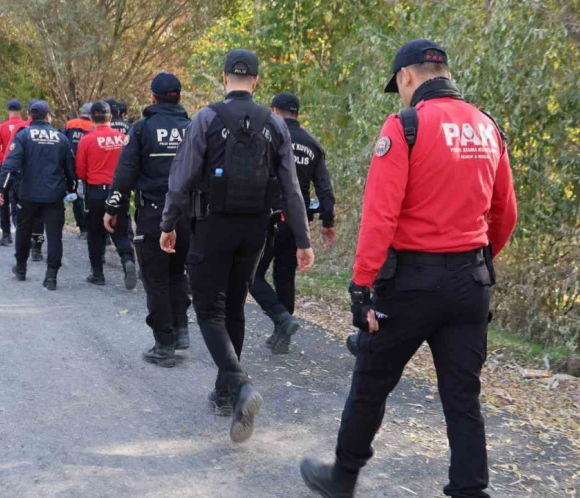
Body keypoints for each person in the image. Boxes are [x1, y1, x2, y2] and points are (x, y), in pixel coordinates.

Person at [299, 39, 518, 498]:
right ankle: (470, 490)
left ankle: (342, 478)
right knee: (463, 397)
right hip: (470, 283)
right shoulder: (487, 127)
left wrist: (361, 288)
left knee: (372, 380)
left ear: (407, 78)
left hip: (412, 285)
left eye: (398, 86)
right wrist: (476, 262)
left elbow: (381, 218)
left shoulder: (406, 126)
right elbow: (505, 214)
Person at [160, 49, 314, 442]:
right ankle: (224, 394)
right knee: (234, 307)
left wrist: (168, 223)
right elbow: (292, 189)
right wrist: (303, 239)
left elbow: (180, 178)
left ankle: (240, 384)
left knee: (209, 311)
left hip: (212, 226)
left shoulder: (207, 118)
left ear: (224, 77)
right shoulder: (275, 125)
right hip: (255, 231)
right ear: (257, 82)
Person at [105, 72, 192, 368]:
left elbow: (125, 172)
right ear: (179, 97)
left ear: (152, 97)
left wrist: (113, 207)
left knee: (155, 279)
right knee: (177, 273)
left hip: (153, 213)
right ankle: (181, 330)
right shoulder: (193, 129)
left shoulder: (142, 129)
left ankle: (164, 345)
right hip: (188, 215)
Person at [249, 92, 336, 354]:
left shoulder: (267, 136)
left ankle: (281, 318)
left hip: (269, 217)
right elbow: (324, 188)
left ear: (274, 111)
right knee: (285, 275)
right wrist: (327, 221)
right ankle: (282, 337)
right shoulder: (313, 144)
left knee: (251, 275)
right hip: (298, 222)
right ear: (297, 113)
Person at [0, 100, 77, 291]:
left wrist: (1, 189)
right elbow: (71, 169)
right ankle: (51, 277)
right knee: (54, 235)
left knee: (23, 230)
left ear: (30, 117)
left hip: (28, 194)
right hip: (54, 195)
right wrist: (73, 190)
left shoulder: (23, 136)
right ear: (48, 116)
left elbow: (10, 165)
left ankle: (21, 267)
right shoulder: (61, 138)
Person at [76, 100, 136, 288]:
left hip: (96, 192)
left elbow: (81, 171)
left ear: (92, 118)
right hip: (119, 192)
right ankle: (127, 260)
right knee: (121, 230)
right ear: (110, 117)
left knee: (95, 233)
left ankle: (97, 274)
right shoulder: (122, 138)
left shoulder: (86, 140)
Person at [0, 101, 46, 262]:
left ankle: (27, 242)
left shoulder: (21, 131)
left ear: (28, 114)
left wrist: (2, 185)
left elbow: (8, 158)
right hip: (44, 183)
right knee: (40, 219)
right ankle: (38, 248)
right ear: (47, 115)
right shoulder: (53, 133)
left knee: (18, 214)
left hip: (21, 181)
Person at [0, 99, 25, 246]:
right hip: (23, 171)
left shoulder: (1, 127)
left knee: (2, 201)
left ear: (8, 111)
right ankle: (25, 233)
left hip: (7, 169)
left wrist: (4, 162)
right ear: (21, 111)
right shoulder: (27, 126)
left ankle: (6, 235)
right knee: (20, 203)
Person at [63, 103, 95, 239]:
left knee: (76, 197)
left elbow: (63, 143)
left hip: (71, 168)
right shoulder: (93, 127)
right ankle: (94, 229)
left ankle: (83, 230)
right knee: (90, 198)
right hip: (89, 168)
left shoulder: (69, 124)